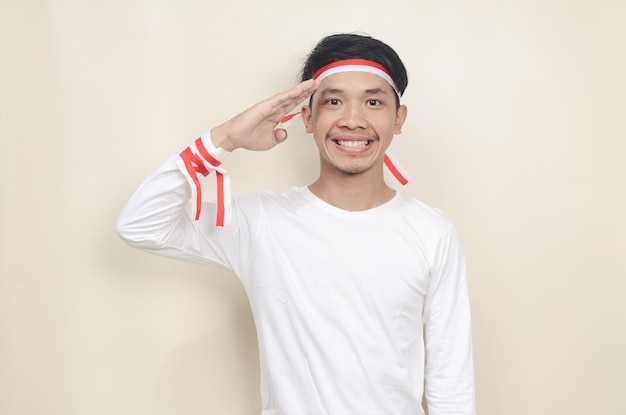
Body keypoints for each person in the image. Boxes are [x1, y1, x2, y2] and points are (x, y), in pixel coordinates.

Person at [117, 33, 475, 415]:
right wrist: (226, 138)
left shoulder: (433, 232)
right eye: (333, 101)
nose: (353, 120)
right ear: (307, 116)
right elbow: (140, 224)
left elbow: (450, 381)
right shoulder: (261, 224)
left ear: (398, 118)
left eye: (373, 102)